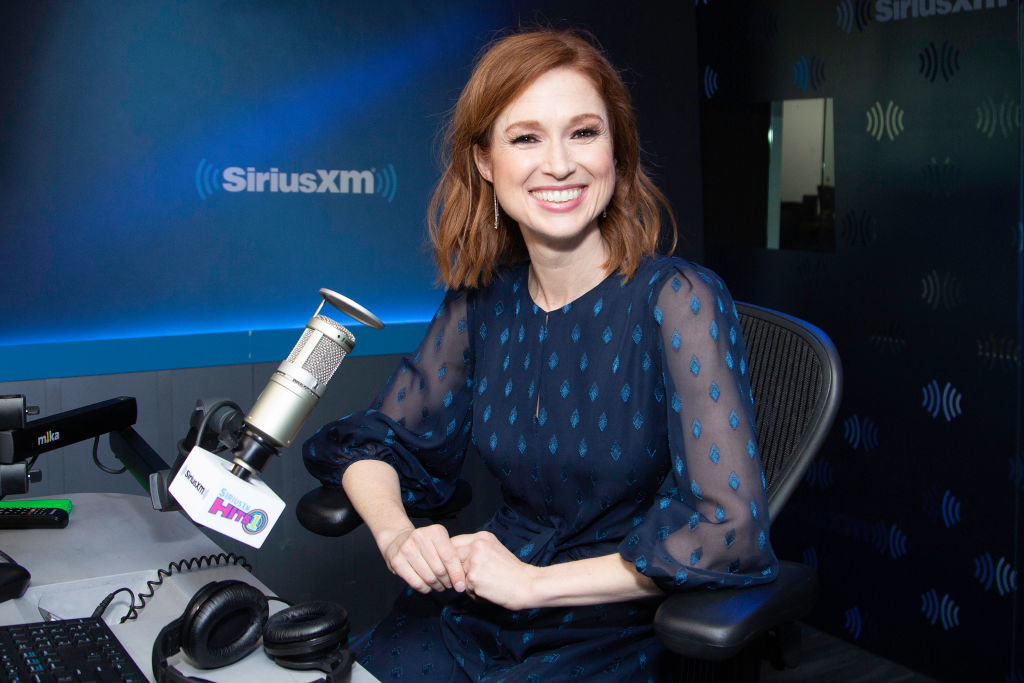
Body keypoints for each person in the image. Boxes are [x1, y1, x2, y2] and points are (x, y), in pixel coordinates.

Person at [303, 28, 777, 682]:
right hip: (484, 604)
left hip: (617, 623)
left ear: (617, 150)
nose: (559, 164)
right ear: (485, 162)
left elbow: (728, 529)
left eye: (584, 133)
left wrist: (532, 584)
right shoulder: (483, 302)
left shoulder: (680, 298)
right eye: (526, 138)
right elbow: (375, 444)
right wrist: (399, 535)